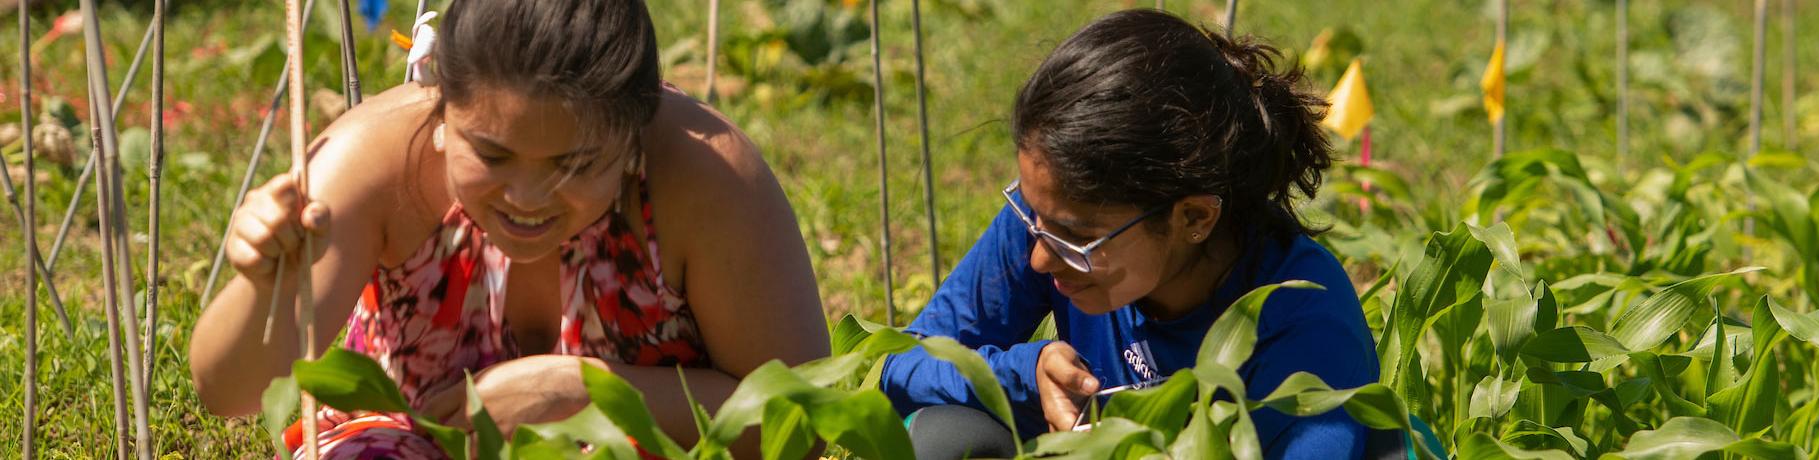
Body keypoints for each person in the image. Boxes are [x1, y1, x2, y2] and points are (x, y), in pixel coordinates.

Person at [187, 0, 829, 457]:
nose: (526, 197)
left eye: (574, 164)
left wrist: (581, 391)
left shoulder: (705, 177)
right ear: (441, 111)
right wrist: (259, 283)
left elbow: (797, 420)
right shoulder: (374, 162)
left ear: (634, 137)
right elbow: (233, 394)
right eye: (491, 156)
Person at [881, 9, 1381, 460]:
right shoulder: (1051, 223)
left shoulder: (1303, 319)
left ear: (1194, 220)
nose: (1038, 258)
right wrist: (1022, 376)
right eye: (1031, 214)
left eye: (1077, 236)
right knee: (941, 437)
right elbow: (891, 365)